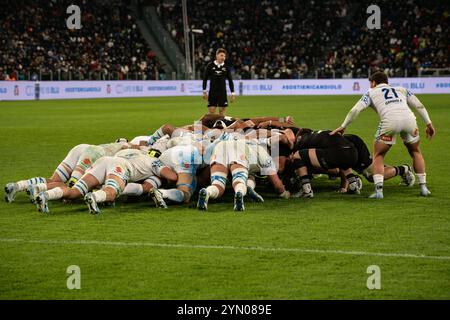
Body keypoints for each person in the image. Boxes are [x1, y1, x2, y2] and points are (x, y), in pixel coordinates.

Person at [330, 71, 436, 199]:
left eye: (370, 83)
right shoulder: (402, 89)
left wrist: (343, 126)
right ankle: (423, 188)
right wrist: (429, 123)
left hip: (389, 122)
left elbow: (355, 110)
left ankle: (379, 191)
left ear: (374, 82)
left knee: (378, 156)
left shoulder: (371, 92)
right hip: (409, 120)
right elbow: (419, 105)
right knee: (415, 152)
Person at [202, 48, 235, 116]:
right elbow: (205, 79)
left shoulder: (226, 67)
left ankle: (220, 126)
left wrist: (233, 93)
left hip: (222, 93)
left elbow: (230, 81)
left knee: (222, 114)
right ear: (217, 55)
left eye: (224, 56)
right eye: (221, 55)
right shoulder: (210, 65)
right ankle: (201, 126)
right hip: (212, 92)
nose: (223, 58)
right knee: (211, 113)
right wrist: (204, 91)